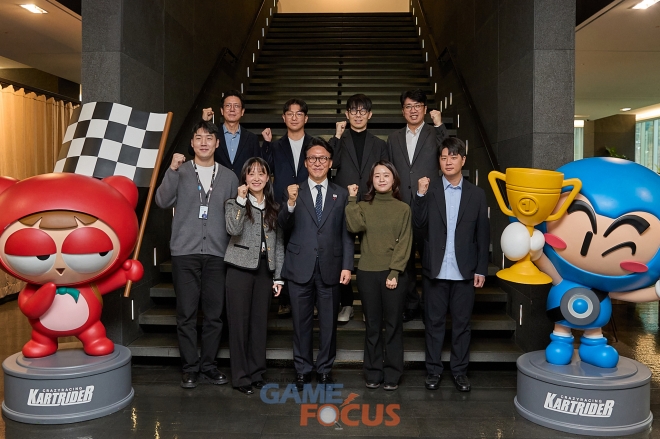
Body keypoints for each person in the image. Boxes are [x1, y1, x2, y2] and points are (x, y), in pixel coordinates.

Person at [155, 120, 238, 389]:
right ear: (192, 143)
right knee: (186, 314)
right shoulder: (180, 171)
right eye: (199, 138)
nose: (204, 142)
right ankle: (190, 367)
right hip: (185, 253)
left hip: (217, 253)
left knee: (214, 315)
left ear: (217, 143)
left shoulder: (229, 177)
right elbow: (162, 201)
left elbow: (235, 216)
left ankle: (209, 366)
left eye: (209, 138)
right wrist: (171, 170)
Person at [413, 137, 489, 393]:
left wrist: (481, 268)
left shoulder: (477, 194)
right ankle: (433, 371)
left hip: (464, 270)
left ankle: (459, 371)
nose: (448, 162)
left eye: (453, 157)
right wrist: (420, 196)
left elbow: (483, 234)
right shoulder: (429, 190)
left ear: (463, 160)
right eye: (444, 157)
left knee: (461, 325)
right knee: (433, 324)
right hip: (435, 269)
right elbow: (418, 225)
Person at [277, 137, 354, 390]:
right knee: (300, 323)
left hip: (331, 267)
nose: (317, 162)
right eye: (312, 158)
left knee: (329, 324)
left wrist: (347, 265)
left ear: (330, 163)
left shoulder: (341, 194)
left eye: (323, 158)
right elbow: (282, 225)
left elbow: (346, 233)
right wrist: (289, 203)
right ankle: (302, 370)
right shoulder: (293, 191)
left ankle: (324, 370)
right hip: (300, 266)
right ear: (305, 163)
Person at [345, 161, 412, 391]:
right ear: (371, 181)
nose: (382, 179)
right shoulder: (363, 206)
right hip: (367, 273)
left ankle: (392, 373)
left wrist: (394, 272)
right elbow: (354, 227)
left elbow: (405, 242)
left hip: (393, 274)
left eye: (386, 175)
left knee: (393, 325)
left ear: (394, 180)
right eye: (377, 175)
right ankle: (373, 372)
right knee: (372, 326)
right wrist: (352, 200)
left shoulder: (403, 209)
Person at [224, 157, 285, 395]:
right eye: (251, 173)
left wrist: (278, 276)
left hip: (264, 271)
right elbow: (233, 229)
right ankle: (241, 377)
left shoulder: (275, 208)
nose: (256, 178)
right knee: (239, 325)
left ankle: (257, 373)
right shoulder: (234, 203)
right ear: (245, 178)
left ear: (268, 178)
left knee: (259, 324)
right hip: (238, 269)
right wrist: (241, 201)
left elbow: (278, 244)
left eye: (261, 173)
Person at [388, 89, 449, 323]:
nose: (413, 110)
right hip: (402, 205)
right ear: (402, 111)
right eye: (408, 106)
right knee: (405, 260)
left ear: (424, 109)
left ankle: (430, 305)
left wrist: (440, 124)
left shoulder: (434, 133)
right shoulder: (394, 138)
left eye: (417, 106)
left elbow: (448, 152)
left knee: (429, 257)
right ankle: (411, 304)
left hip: (430, 204)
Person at [330, 94, 389, 323]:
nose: (358, 115)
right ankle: (346, 304)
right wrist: (336, 136)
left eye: (362, 111)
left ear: (370, 115)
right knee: (342, 255)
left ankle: (369, 305)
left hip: (372, 203)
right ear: (347, 114)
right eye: (353, 111)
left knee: (372, 256)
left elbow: (386, 174)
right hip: (344, 203)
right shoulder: (339, 140)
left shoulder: (380, 144)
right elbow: (332, 163)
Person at [262, 98, 313, 318]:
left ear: (306, 118)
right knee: (282, 250)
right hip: (281, 206)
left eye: (299, 113)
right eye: (290, 113)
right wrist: (266, 144)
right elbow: (265, 169)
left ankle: (310, 300)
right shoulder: (275, 145)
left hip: (309, 204)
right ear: (283, 118)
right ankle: (285, 301)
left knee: (308, 250)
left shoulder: (314, 144)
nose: (294, 117)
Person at [193, 90, 261, 180]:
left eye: (236, 106)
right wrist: (204, 122)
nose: (232, 109)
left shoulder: (252, 138)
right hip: (217, 185)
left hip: (243, 186)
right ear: (222, 110)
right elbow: (192, 150)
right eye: (228, 105)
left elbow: (257, 166)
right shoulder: (213, 135)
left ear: (242, 111)